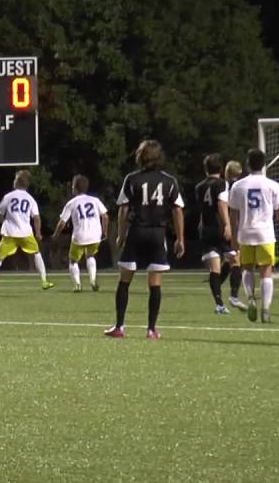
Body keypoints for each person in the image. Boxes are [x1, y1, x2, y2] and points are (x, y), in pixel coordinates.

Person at [104, 140, 185, 340]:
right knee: (155, 283)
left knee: (124, 280)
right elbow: (177, 209)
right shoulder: (169, 180)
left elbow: (123, 208)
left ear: (140, 156)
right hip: (158, 233)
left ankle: (120, 327)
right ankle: (151, 329)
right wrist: (180, 238)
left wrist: (121, 234)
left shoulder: (132, 179)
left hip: (137, 231)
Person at [228, 149, 279, 323]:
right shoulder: (272, 185)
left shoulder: (238, 186)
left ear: (248, 164)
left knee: (247, 268)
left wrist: (233, 237)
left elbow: (233, 215)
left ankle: (250, 299)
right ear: (263, 164)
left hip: (245, 232)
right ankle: (266, 308)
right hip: (265, 233)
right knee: (266, 272)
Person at [0, 169, 55, 292]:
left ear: (17, 182)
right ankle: (44, 281)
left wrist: (4, 222)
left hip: (9, 234)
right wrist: (38, 233)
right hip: (25, 233)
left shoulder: (8, 197)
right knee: (37, 254)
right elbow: (36, 218)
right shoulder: (30, 199)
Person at [53, 174, 109, 293]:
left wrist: (55, 235)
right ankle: (93, 280)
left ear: (74, 187)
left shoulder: (72, 203)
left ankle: (77, 284)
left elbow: (62, 222)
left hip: (80, 235)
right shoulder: (95, 200)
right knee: (90, 256)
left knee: (73, 260)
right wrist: (105, 231)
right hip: (95, 235)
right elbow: (105, 216)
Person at [193, 154, 234, 314]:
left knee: (214, 268)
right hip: (219, 227)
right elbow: (222, 204)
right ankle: (234, 296)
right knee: (234, 261)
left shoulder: (198, 186)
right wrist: (227, 225)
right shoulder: (222, 183)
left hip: (205, 227)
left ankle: (219, 303)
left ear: (205, 169)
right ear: (221, 169)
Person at [222, 160, 247, 310]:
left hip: (228, 225)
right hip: (235, 226)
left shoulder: (227, 186)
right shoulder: (238, 187)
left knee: (231, 259)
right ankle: (234, 296)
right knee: (236, 260)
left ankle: (216, 288)